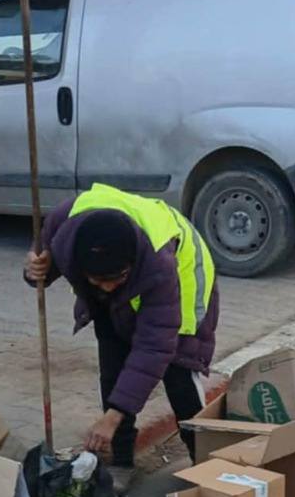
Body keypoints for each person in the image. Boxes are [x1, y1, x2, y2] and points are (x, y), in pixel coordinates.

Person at [23, 183, 219, 473]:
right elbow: (43, 260)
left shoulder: (158, 263)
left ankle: (206, 468)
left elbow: (154, 348)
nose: (108, 287)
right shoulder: (64, 226)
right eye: (98, 281)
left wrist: (113, 417)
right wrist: (35, 269)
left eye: (117, 278)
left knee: (179, 373)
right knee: (112, 368)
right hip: (130, 281)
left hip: (185, 280)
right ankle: (121, 462)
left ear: (131, 265)